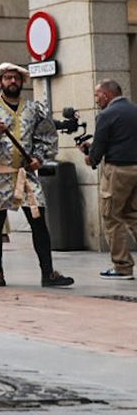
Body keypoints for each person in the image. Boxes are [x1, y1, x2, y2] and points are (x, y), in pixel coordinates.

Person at [0, 63, 73, 290]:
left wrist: (39, 158)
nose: (12, 81)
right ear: (0, 82)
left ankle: (48, 273)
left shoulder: (34, 109)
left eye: (16, 78)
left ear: (22, 82)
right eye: (7, 78)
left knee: (38, 222)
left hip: (25, 175)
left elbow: (46, 137)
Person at [86, 79, 137, 281]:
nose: (96, 99)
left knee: (111, 217)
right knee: (133, 214)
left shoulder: (106, 115)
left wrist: (90, 157)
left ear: (106, 95)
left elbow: (98, 150)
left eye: (97, 95)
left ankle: (122, 267)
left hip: (117, 170)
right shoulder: (134, 110)